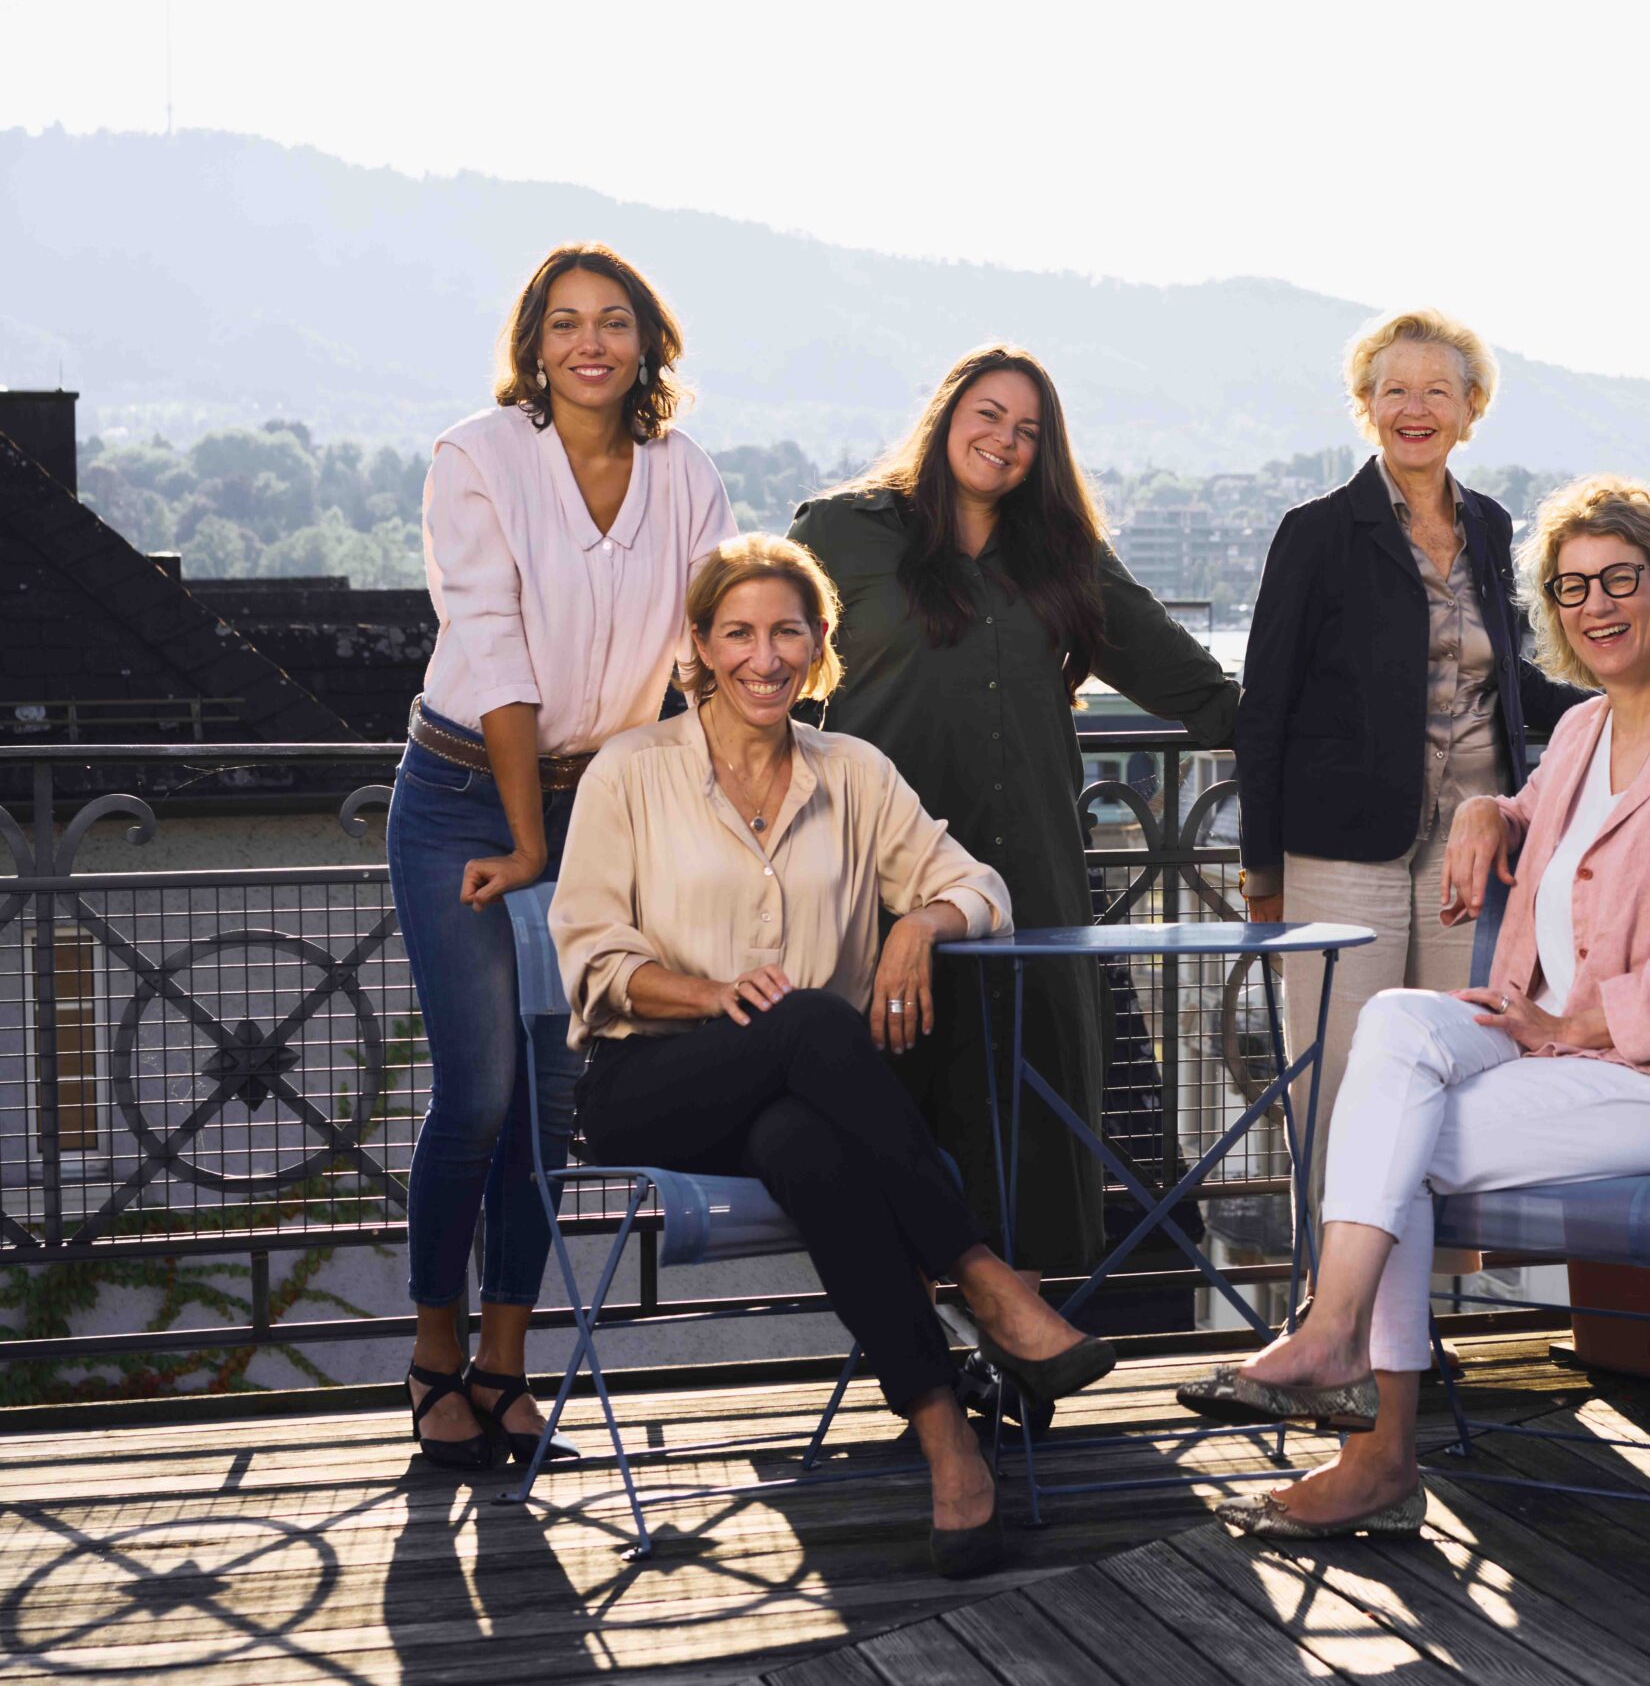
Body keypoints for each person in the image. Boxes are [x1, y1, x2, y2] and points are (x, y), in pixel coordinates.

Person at [1174, 478, 1650, 1538]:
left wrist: (1579, 1025)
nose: (1596, 607)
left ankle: (1371, 1433)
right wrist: (1484, 810)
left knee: (1396, 1139)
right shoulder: (1585, 732)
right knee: (1395, 1024)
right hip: (1556, 1047)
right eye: (1571, 589)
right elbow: (1537, 808)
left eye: (1619, 581)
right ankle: (1342, 1357)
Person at [551, 535, 1115, 1576]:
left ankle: (946, 1442)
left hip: (808, 1107)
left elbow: (980, 887)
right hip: (650, 1085)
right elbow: (590, 954)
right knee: (810, 1022)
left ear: (817, 646)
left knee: (804, 1142)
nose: (763, 657)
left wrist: (919, 925)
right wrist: (711, 995)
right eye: (738, 633)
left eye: (786, 633)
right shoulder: (631, 771)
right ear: (701, 647)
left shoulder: (853, 772)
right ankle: (982, 1277)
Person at [788, 346, 1238, 1285]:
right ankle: (914, 1349)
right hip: (880, 881)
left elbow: (1191, 684)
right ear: (947, 414)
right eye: (989, 414)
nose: (1004, 439)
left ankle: (1018, 1346)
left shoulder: (1065, 557)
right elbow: (755, 671)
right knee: (891, 1116)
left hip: (1028, 885)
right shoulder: (841, 530)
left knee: (1034, 1131)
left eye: (1029, 431)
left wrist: (1319, 746)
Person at [392, 243, 736, 1472]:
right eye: (566, 322)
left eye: (615, 321)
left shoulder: (683, 472)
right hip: (459, 801)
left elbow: (706, 650)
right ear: (534, 344)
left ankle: (506, 1365)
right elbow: (490, 645)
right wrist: (528, 836)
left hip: (595, 806)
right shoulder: (476, 457)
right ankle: (432, 1355)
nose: (591, 342)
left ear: (648, 344)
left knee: (546, 1105)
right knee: (478, 1094)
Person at [1236, 308, 1585, 1226]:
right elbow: (1263, 708)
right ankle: (1333, 1290)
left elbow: (1513, 680)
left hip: (1472, 856)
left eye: (1437, 391)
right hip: (1340, 853)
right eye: (1395, 390)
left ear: (1471, 410)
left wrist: (1636, 705)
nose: (1415, 409)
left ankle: (1430, 1298)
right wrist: (1261, 868)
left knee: (1455, 1079)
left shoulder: (1493, 526)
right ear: (1367, 405)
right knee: (1339, 1081)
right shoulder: (1316, 532)